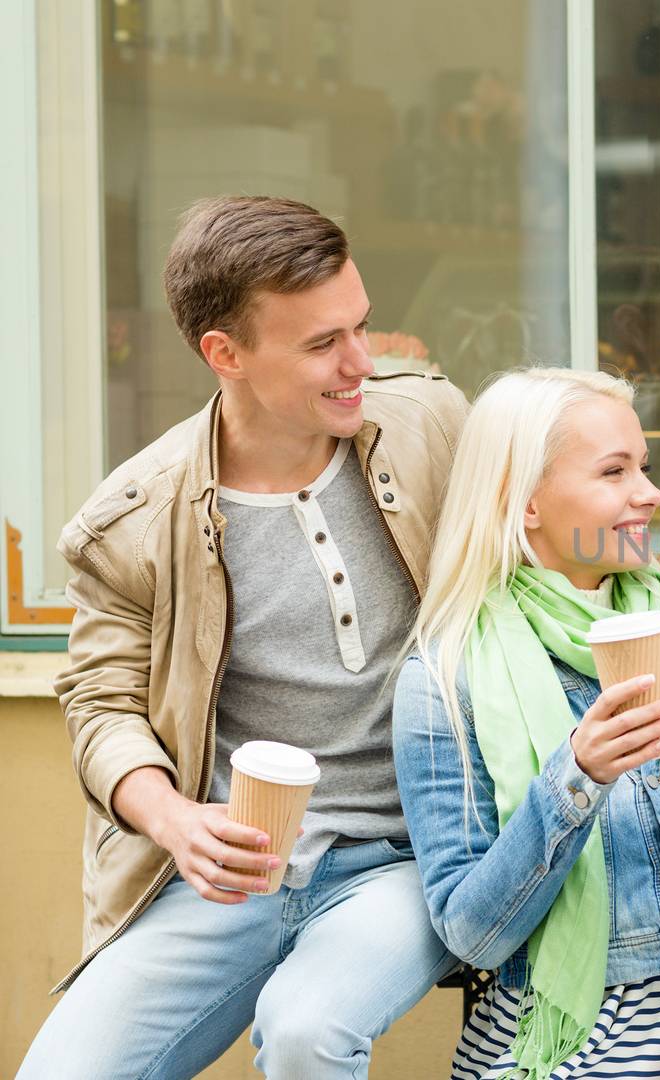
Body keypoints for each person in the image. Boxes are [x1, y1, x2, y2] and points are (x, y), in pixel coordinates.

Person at [22, 196, 466, 1078]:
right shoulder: (129, 523)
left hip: (407, 856)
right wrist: (176, 821)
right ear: (222, 354)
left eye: (361, 327)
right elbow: (103, 707)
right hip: (227, 871)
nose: (359, 363)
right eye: (320, 345)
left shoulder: (435, 427)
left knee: (308, 1033)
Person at [391, 368, 660, 1080]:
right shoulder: (445, 678)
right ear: (524, 502)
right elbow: (472, 934)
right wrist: (576, 779)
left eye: (643, 467)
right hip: (553, 1056)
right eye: (614, 471)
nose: (650, 493)